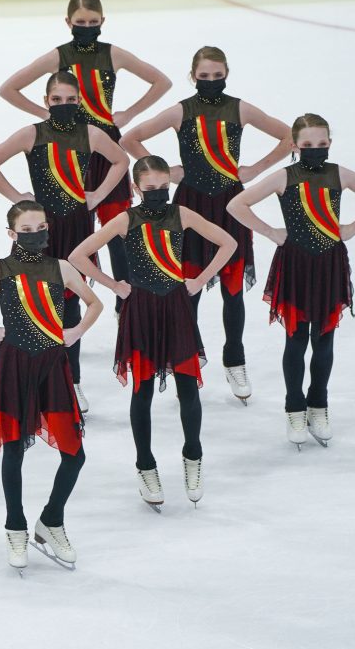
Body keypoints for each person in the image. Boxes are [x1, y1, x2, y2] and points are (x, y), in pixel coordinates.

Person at [120, 46, 292, 404]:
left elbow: (289, 136)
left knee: (232, 291)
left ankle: (235, 359)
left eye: (217, 75)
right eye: (204, 76)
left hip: (230, 203)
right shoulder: (181, 111)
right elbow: (131, 138)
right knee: (189, 289)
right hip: (191, 202)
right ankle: (188, 358)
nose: (211, 81)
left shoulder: (239, 108)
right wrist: (166, 172)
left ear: (227, 73)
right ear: (192, 75)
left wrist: (255, 170)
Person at [69, 156, 236, 510]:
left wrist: (200, 279)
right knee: (142, 390)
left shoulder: (182, 214)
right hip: (141, 309)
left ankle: (193, 456)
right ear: (136, 189)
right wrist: (115, 285)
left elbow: (228, 243)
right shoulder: (125, 219)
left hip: (175, 306)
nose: (159, 194)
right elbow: (78, 255)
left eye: (164, 188)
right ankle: (145, 465)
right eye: (151, 189)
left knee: (188, 387)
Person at [0, 201, 102, 572]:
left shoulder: (61, 268)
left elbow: (93, 303)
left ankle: (52, 520)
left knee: (74, 454)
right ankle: (15, 527)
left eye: (41, 228)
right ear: (12, 234)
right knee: (14, 451)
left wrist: (76, 331)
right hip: (13, 366)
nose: (36, 235)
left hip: (53, 367)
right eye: (27, 230)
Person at [227, 114, 355, 449]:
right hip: (296, 264)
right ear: (295, 146)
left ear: (329, 143)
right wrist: (272, 232)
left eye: (321, 144)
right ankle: (294, 407)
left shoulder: (339, 174)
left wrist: (351, 228)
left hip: (329, 263)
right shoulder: (284, 178)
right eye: (307, 145)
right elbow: (236, 204)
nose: (315, 150)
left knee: (324, 339)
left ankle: (319, 404)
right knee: (296, 339)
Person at [0, 0, 171, 312]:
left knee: (118, 229)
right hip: (66, 148)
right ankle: (63, 304)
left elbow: (161, 82)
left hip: (104, 146)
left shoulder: (113, 54)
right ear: (68, 23)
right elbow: (8, 88)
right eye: (81, 23)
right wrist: (44, 114)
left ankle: (126, 305)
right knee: (69, 229)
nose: (87, 27)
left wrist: (129, 113)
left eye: (93, 22)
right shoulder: (58, 56)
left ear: (102, 22)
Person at [0, 71, 127, 413]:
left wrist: (98, 195)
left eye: (70, 100)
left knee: (71, 304)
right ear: (46, 102)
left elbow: (121, 161)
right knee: (31, 303)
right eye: (56, 100)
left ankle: (70, 381)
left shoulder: (91, 133)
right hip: (40, 230)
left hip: (76, 226)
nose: (63, 105)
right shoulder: (33, 134)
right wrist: (19, 200)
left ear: (79, 102)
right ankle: (30, 378)